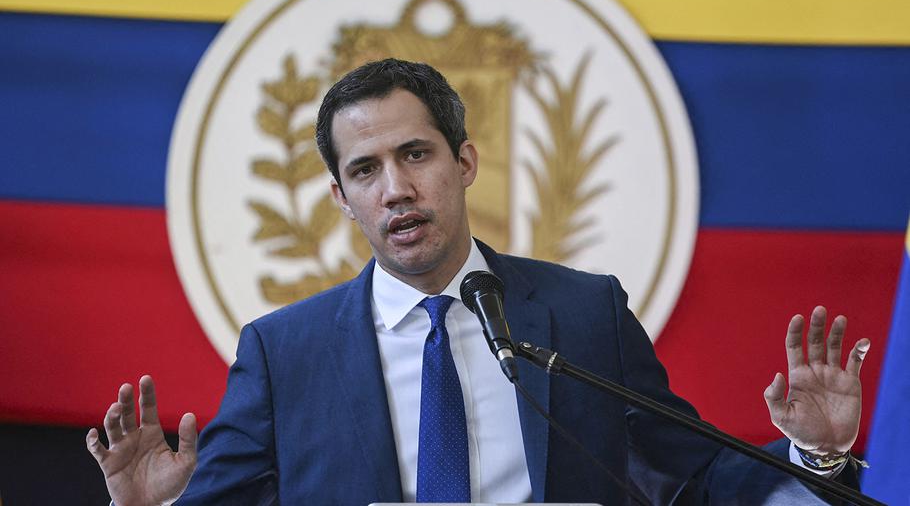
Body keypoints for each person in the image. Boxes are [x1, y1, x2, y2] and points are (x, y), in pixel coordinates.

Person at [87, 59, 870, 504]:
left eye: (415, 155)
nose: (395, 188)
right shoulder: (282, 352)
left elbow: (690, 479)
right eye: (365, 170)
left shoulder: (582, 312)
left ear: (463, 164)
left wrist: (817, 457)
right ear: (341, 199)